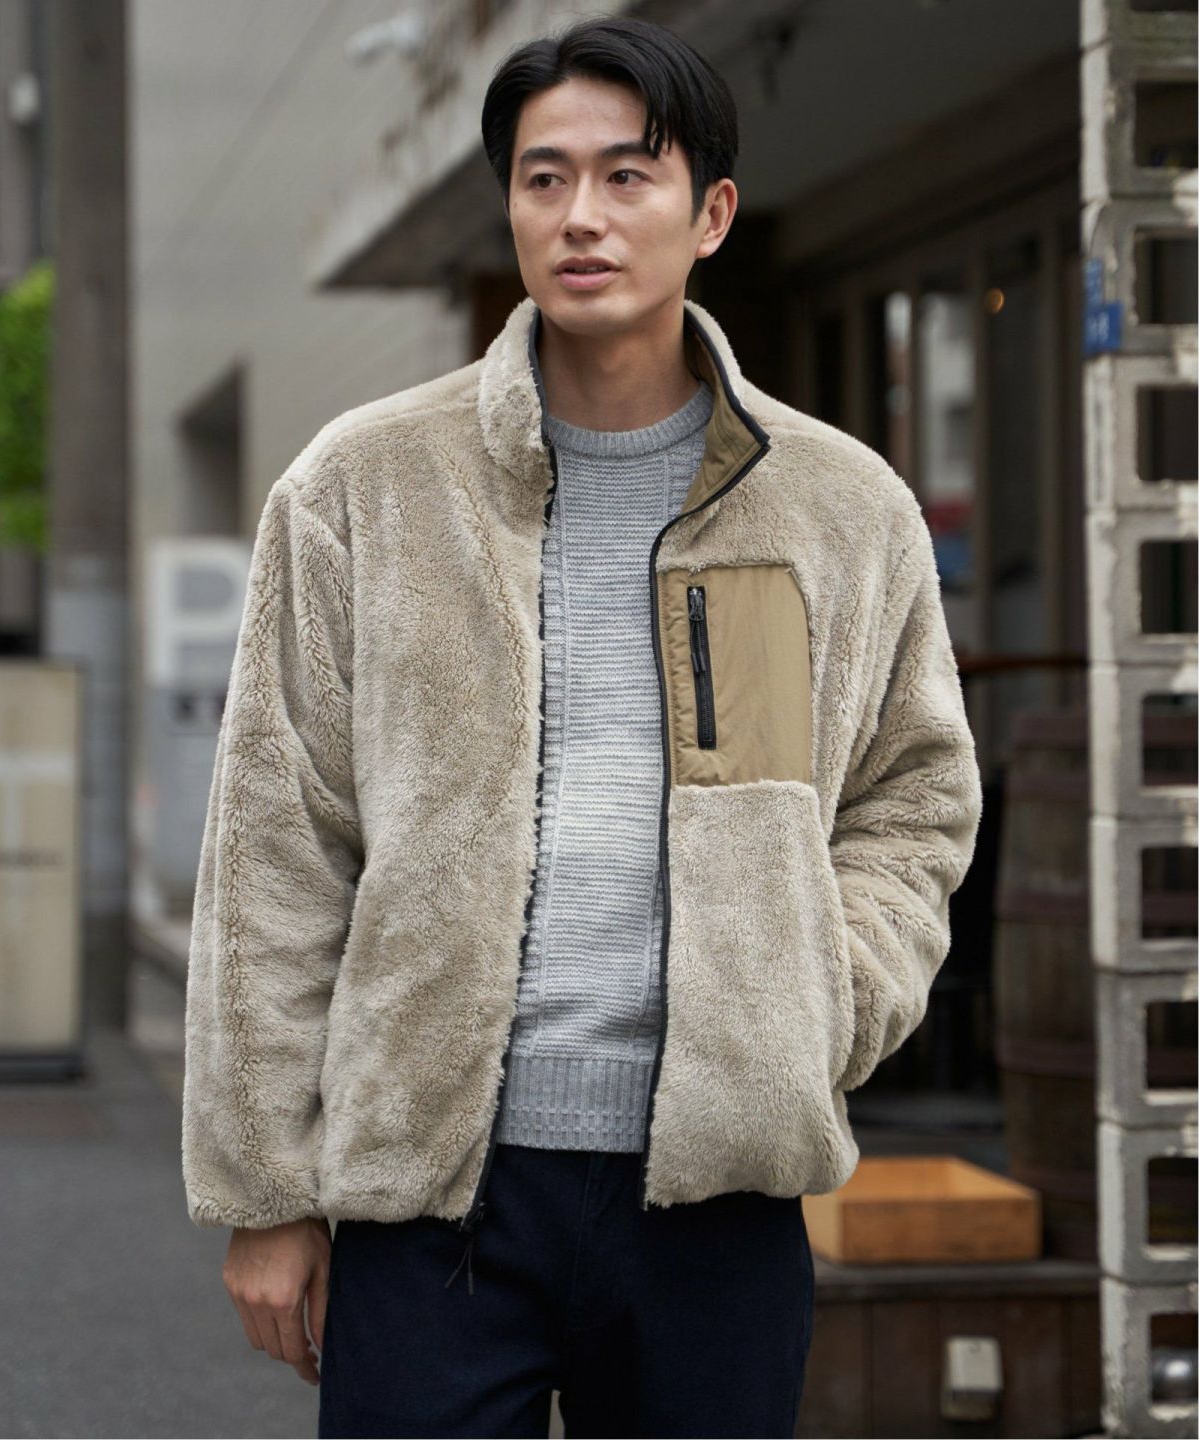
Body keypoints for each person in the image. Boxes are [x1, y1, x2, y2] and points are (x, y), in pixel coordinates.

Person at [181, 14, 984, 1439]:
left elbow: (914, 797)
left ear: (710, 214)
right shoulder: (364, 487)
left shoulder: (839, 506)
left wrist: (822, 1000)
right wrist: (267, 1189)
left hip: (718, 1194)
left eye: (627, 175)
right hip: (434, 1195)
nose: (582, 216)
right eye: (544, 178)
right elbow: (275, 846)